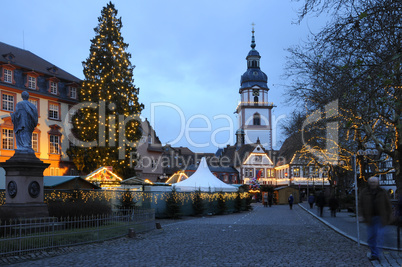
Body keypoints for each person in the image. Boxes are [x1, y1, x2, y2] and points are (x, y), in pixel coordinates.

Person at [359, 176, 392, 262]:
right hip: (370, 218)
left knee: (379, 236)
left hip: (380, 218)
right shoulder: (364, 192)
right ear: (369, 183)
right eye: (371, 182)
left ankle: (376, 254)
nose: (373, 184)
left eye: (374, 182)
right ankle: (374, 253)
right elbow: (360, 204)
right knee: (371, 238)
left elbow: (388, 204)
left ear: (377, 183)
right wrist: (360, 214)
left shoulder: (382, 192)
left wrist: (389, 216)